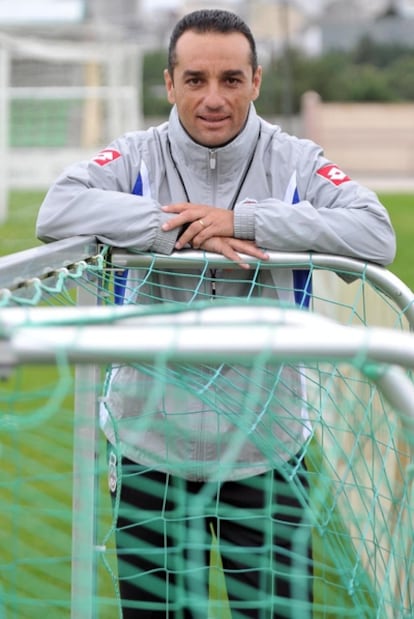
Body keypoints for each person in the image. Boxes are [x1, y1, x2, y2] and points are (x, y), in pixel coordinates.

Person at [36, 9, 396, 618]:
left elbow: (375, 233)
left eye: (231, 79)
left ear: (255, 81)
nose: (213, 98)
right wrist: (171, 227)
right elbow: (56, 211)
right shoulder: (136, 154)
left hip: (268, 453)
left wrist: (249, 221)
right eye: (195, 79)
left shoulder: (295, 159)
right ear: (170, 84)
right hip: (151, 453)